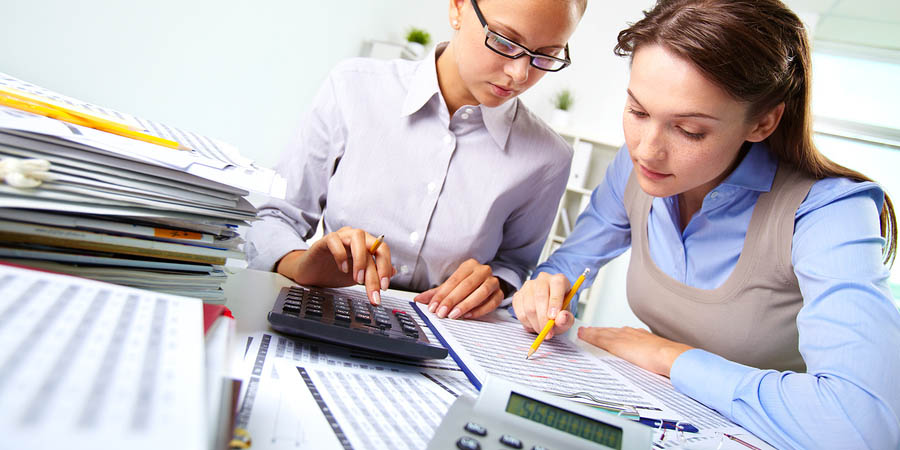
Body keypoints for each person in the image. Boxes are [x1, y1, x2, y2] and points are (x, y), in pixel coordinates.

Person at [511, 0, 900, 448]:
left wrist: (669, 356)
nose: (646, 150)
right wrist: (545, 291)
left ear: (763, 122)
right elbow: (568, 266)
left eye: (690, 131)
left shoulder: (830, 211)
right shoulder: (635, 169)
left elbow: (861, 426)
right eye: (638, 112)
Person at [245, 0, 586, 318]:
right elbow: (275, 217)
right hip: (326, 312)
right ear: (458, 8)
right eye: (505, 42)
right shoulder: (352, 88)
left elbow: (515, 264)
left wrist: (495, 284)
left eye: (546, 56)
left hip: (446, 337)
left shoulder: (548, 158)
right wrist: (300, 264)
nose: (520, 74)